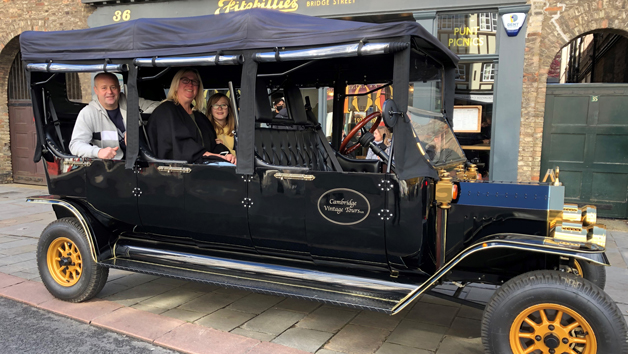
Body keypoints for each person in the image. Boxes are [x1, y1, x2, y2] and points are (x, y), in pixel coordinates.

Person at [147, 68, 236, 164]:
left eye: (194, 81)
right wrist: (212, 156)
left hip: (205, 165)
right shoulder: (165, 111)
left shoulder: (200, 116)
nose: (190, 84)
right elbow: (181, 147)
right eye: (185, 80)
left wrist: (226, 155)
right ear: (176, 85)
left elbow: (213, 144)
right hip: (179, 171)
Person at [69, 72, 159, 159]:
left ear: (119, 89)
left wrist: (135, 126)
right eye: (104, 88)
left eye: (113, 87)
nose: (109, 92)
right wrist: (98, 152)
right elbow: (76, 145)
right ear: (96, 90)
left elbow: (160, 107)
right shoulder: (88, 113)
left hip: (140, 162)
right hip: (111, 167)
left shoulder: (130, 101)